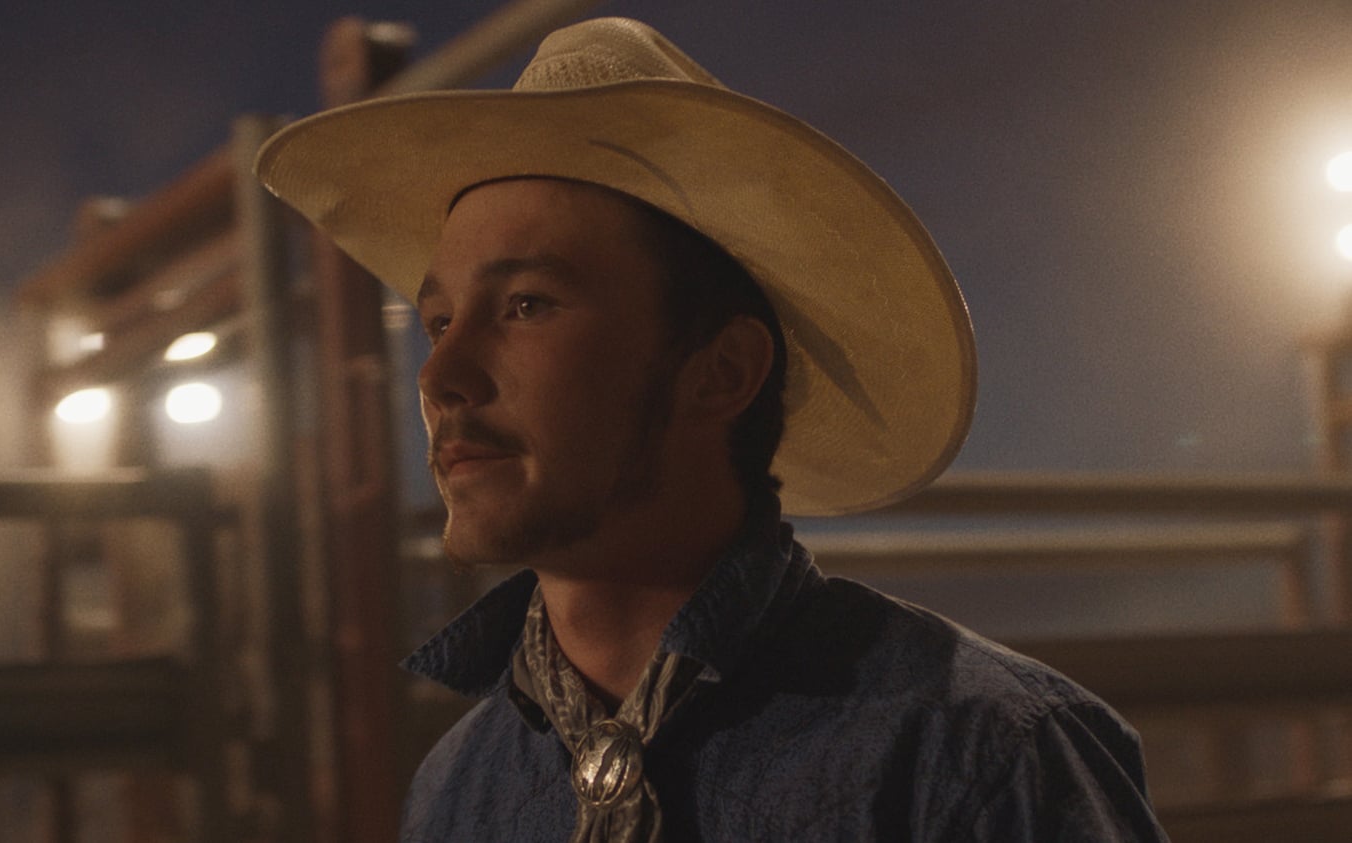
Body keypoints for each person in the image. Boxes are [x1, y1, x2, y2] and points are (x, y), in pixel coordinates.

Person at [256, 16, 1167, 843]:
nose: (439, 376)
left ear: (722, 371)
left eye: (527, 305)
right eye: (440, 321)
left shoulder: (971, 754)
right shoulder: (455, 790)